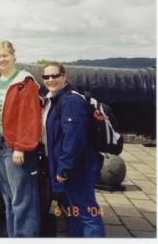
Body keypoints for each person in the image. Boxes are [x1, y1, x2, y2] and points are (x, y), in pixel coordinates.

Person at [41, 61, 105, 237]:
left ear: (64, 76)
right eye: (46, 76)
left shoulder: (71, 101)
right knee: (73, 212)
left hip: (76, 168)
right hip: (67, 166)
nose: (50, 79)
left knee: (88, 214)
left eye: (55, 75)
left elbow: (74, 139)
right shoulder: (55, 99)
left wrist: (64, 169)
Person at [0, 40, 41, 237]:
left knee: (22, 199)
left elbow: (30, 116)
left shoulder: (24, 82)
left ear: (13, 56)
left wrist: (21, 147)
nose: (2, 59)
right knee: (8, 197)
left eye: (5, 55)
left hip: (15, 146)